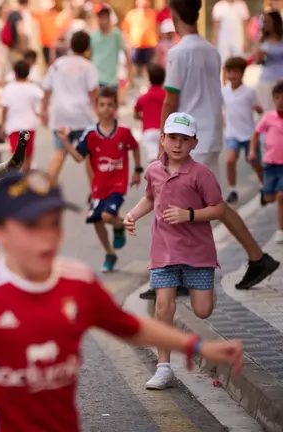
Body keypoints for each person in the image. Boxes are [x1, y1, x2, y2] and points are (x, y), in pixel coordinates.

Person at [0, 169, 243, 431]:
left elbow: (131, 327)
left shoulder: (77, 283)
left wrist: (198, 346)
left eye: (53, 224)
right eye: (30, 227)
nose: (46, 237)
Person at [160, 0, 278, 292]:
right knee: (207, 206)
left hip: (186, 140)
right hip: (209, 134)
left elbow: (171, 100)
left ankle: (183, 274)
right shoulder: (210, 50)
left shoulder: (178, 53)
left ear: (174, 16)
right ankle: (255, 257)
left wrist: (165, 139)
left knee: (184, 206)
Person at [124, 112, 228, 390]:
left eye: (184, 139)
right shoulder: (153, 171)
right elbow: (150, 197)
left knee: (202, 310)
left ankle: (203, 291)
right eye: (172, 138)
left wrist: (189, 214)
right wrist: (132, 215)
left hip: (197, 253)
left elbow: (219, 208)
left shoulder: (201, 175)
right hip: (164, 251)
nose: (177, 145)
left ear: (194, 143)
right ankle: (164, 367)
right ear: (162, 139)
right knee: (163, 306)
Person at [58, 87, 142, 272]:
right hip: (99, 186)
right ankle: (110, 252)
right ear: (95, 108)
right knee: (96, 219)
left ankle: (119, 225)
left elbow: (135, 147)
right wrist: (65, 142)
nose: (106, 108)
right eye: (102, 105)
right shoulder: (90, 134)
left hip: (118, 185)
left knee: (106, 216)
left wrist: (137, 170)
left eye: (110, 105)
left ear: (116, 107)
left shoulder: (123, 132)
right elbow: (79, 158)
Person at [41, 31, 98, 184]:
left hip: (60, 116)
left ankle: (47, 191)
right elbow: (93, 92)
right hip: (82, 116)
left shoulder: (58, 64)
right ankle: (96, 193)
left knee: (59, 152)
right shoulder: (88, 66)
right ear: (87, 47)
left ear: (70, 44)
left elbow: (46, 87)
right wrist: (98, 113)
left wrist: (44, 110)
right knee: (89, 155)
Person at [222, 57, 264, 204]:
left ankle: (264, 185)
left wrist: (259, 110)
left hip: (249, 134)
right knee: (230, 160)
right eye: (230, 72)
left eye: (236, 72)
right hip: (232, 133)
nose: (232, 75)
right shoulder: (224, 91)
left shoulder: (249, 92)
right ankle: (232, 189)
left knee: (254, 162)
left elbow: (258, 108)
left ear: (242, 73)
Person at [250, 82, 283, 243]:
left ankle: (280, 231)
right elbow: (256, 134)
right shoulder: (269, 117)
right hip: (270, 164)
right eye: (277, 98)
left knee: (281, 196)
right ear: (273, 99)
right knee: (270, 198)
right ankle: (265, 193)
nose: (281, 101)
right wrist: (251, 151)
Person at [0, 59, 43, 172]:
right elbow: (41, 101)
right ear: (29, 72)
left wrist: (2, 124)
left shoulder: (9, 88)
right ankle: (26, 176)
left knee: (17, 156)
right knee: (28, 154)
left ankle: (18, 178)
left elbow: (4, 108)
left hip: (14, 126)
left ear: (15, 73)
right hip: (30, 125)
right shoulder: (33, 88)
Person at [90, 7, 130, 92]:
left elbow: (126, 52)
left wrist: (129, 73)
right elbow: (89, 55)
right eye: (100, 18)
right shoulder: (93, 36)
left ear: (109, 19)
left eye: (104, 18)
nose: (102, 21)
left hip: (111, 80)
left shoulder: (116, 35)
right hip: (96, 78)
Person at [134, 64, 166, 165]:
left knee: (153, 161)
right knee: (165, 160)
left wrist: (145, 118)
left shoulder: (143, 98)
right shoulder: (166, 96)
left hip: (148, 130)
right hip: (164, 130)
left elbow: (136, 114)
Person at [122, 0, 158, 88]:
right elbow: (125, 29)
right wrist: (127, 41)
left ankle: (145, 84)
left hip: (149, 44)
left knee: (146, 66)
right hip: (135, 44)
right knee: (133, 64)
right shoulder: (131, 15)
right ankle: (131, 82)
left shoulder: (153, 14)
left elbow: (157, 28)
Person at [253, 11, 283, 112]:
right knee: (268, 111)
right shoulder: (262, 40)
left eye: (267, 21)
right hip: (267, 79)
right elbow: (258, 61)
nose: (265, 24)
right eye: (263, 22)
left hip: (281, 79)